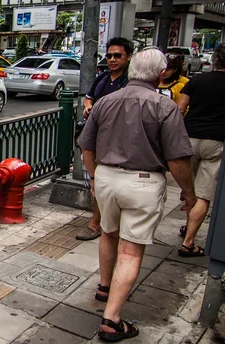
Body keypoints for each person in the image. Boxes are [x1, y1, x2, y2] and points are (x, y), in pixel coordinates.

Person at [78, 48, 196, 342]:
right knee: (130, 250)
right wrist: (189, 193)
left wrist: (94, 177)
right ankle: (112, 320)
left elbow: (87, 146)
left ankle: (105, 287)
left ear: (131, 70)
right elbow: (178, 160)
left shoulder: (105, 102)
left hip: (106, 177)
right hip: (143, 182)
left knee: (108, 232)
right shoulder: (164, 106)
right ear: (160, 74)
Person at [75, 37, 133, 247]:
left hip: (119, 141)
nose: (112, 60)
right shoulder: (103, 78)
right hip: (97, 136)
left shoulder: (130, 81)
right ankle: (97, 221)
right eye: (109, 56)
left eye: (117, 56)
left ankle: (102, 222)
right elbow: (88, 97)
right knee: (97, 181)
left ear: (129, 57)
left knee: (108, 183)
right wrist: (88, 106)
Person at [176, 44, 225, 257]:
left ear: (214, 60)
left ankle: (189, 225)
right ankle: (188, 242)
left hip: (189, 137)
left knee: (190, 190)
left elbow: (179, 108)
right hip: (216, 141)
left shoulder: (197, 80)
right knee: (204, 195)